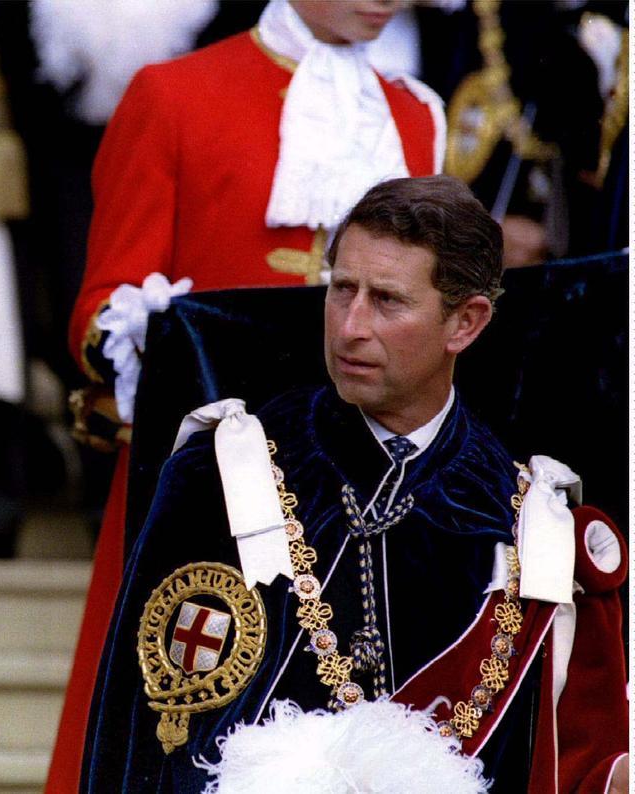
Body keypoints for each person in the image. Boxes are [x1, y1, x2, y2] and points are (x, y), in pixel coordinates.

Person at [80, 176, 629, 792]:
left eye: (387, 300)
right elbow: (147, 740)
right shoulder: (221, 476)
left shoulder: (529, 523)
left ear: (466, 324)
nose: (350, 327)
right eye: (342, 290)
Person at [50, 1, 447, 787]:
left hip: (365, 490)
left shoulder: (416, 113)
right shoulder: (171, 94)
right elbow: (100, 309)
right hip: (203, 490)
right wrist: (146, 329)